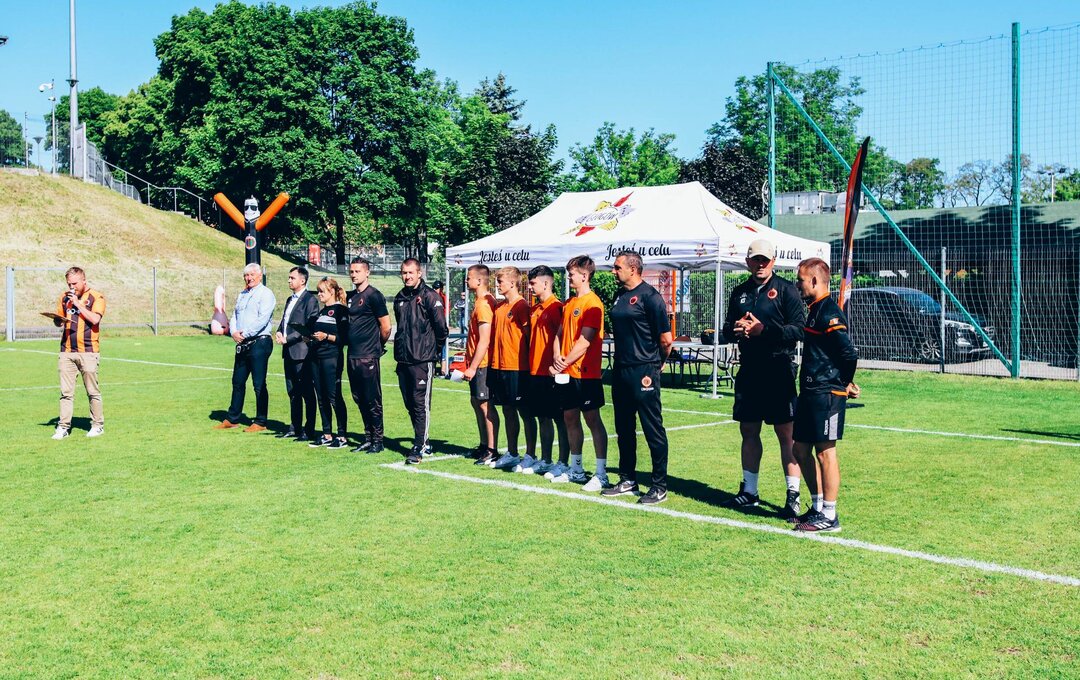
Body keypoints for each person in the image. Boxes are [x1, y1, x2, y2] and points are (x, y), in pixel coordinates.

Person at [721, 238, 805, 519]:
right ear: (748, 261)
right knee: (748, 430)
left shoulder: (787, 290)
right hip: (749, 371)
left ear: (773, 261)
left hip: (778, 370)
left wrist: (763, 330)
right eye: (756, 259)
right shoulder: (739, 292)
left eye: (765, 260)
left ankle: (793, 495)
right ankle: (750, 491)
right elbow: (725, 330)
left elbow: (799, 330)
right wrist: (736, 329)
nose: (760, 264)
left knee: (786, 434)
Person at [791, 257, 859, 532]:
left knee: (825, 452)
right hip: (810, 391)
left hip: (826, 394)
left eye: (800, 281)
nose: (798, 285)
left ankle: (830, 516)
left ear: (815, 280)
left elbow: (848, 353)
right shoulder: (814, 310)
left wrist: (845, 382)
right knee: (799, 449)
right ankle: (818, 507)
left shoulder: (830, 312)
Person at [600, 251, 673, 504]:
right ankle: (627, 480)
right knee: (624, 428)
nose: (613, 271)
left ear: (633, 269)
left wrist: (657, 363)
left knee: (652, 428)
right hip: (621, 370)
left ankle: (659, 486)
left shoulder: (651, 297)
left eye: (617, 267)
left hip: (644, 371)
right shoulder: (619, 295)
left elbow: (666, 340)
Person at [549, 255, 608, 486]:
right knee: (569, 417)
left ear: (584, 275)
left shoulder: (593, 303)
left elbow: (585, 341)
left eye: (571, 273)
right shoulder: (569, 303)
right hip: (567, 373)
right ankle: (576, 469)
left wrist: (561, 363)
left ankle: (601, 473)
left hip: (586, 373)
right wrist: (557, 355)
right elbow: (559, 333)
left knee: (592, 419)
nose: (568, 277)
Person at [393, 258, 449, 464]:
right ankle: (424, 440)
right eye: (404, 273)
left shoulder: (430, 296)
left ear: (419, 273)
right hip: (403, 360)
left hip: (422, 360)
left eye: (411, 272)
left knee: (419, 404)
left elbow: (441, 329)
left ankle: (420, 445)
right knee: (410, 403)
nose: (407, 276)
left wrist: (433, 352)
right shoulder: (399, 297)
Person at [518, 265, 569, 476]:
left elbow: (563, 339)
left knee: (560, 418)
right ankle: (546, 459)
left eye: (533, 283)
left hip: (552, 373)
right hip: (535, 372)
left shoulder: (557, 307)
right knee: (543, 417)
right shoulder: (535, 309)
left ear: (546, 283)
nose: (530, 287)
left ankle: (563, 461)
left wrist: (558, 366)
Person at [216, 263, 276, 432]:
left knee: (258, 384)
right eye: (246, 275)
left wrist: (245, 333)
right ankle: (232, 418)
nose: (248, 278)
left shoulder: (266, 294)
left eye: (251, 275)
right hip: (243, 343)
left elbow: (263, 319)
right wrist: (234, 332)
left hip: (259, 342)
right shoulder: (242, 294)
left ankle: (260, 421)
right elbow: (235, 315)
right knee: (237, 381)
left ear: (259, 276)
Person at [489, 267, 537, 471]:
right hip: (499, 367)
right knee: (507, 409)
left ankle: (531, 454)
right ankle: (512, 452)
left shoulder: (522, 306)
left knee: (525, 411)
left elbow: (529, 337)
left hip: (518, 368)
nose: (498, 285)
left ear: (512, 283)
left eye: (500, 281)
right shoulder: (499, 307)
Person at [51, 266, 106, 439]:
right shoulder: (64, 297)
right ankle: (63, 427)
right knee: (66, 393)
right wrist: (57, 321)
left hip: (88, 351)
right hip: (66, 351)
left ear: (84, 280)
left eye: (74, 283)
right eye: (69, 284)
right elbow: (59, 321)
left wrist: (78, 304)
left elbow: (95, 319)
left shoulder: (96, 297)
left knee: (92, 391)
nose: (71, 287)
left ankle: (97, 425)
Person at [345, 257, 391, 453]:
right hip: (352, 355)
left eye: (358, 271)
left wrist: (377, 346)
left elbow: (386, 327)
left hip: (368, 356)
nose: (354, 275)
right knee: (359, 397)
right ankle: (368, 437)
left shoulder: (374, 295)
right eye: (352, 271)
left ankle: (378, 441)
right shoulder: (351, 297)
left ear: (367, 272)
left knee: (372, 399)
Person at [275, 266, 319, 442]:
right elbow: (285, 321)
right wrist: (279, 331)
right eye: (289, 277)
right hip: (288, 353)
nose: (289, 280)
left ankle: (309, 430)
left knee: (307, 392)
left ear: (302, 280)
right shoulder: (289, 299)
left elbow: (308, 327)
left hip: (302, 353)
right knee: (292, 392)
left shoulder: (310, 300)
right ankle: (294, 427)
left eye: (292, 278)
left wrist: (288, 339)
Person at [463, 264, 500, 465]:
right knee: (476, 402)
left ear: (479, 280)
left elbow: (484, 340)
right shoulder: (480, 302)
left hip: (483, 364)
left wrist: (473, 367)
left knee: (485, 405)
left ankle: (491, 449)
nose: (466, 280)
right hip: (477, 363)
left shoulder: (484, 304)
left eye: (469, 277)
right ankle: (484, 444)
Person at [307, 277, 350, 449]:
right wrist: (308, 337)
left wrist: (327, 337)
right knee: (321, 396)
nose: (319, 295)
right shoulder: (322, 312)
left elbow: (344, 338)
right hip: (316, 358)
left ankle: (342, 436)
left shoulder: (341, 310)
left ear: (332, 291)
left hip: (331, 358)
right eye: (318, 291)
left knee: (334, 396)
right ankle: (326, 433)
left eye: (322, 291)